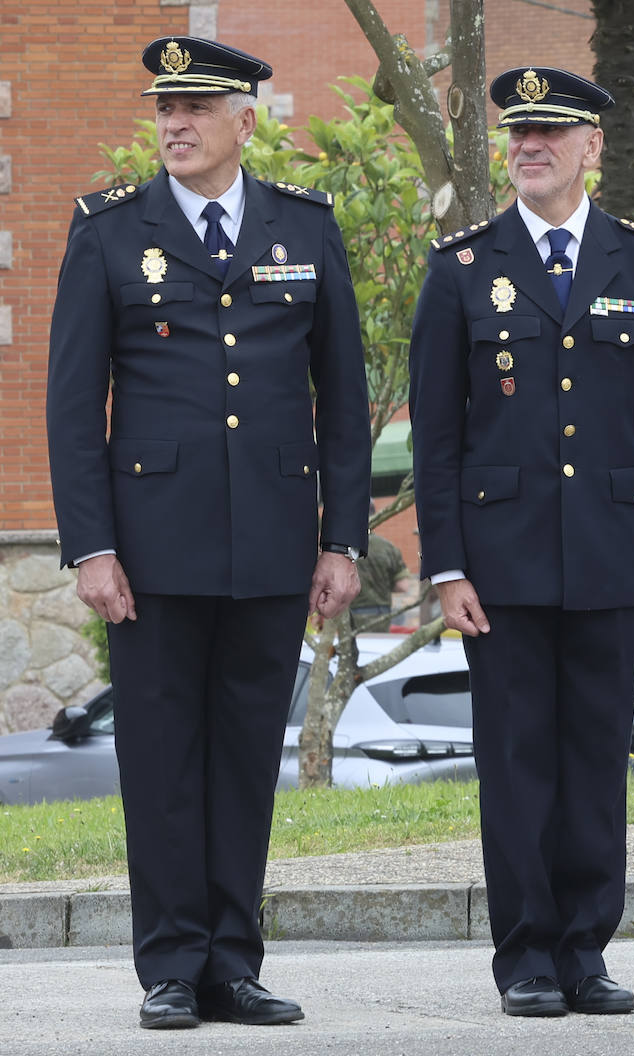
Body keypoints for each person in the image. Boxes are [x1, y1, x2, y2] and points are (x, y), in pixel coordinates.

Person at [45, 37, 371, 1027]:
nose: (175, 124)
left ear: (247, 120)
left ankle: (234, 962)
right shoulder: (109, 233)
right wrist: (90, 545)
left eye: (196, 108)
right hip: (151, 549)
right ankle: (172, 967)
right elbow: (72, 405)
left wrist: (341, 539)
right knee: (159, 760)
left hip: (273, 544)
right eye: (164, 110)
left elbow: (344, 403)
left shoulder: (304, 229)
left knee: (242, 759)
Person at [408, 66, 634, 1017]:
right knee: (518, 760)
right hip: (501, 562)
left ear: (591, 147)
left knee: (594, 757)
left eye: (551, 132)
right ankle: (527, 953)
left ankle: (587, 949)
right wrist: (445, 564)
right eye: (519, 132)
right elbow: (438, 434)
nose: (530, 145)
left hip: (614, 557)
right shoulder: (461, 268)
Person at [351, 526, 411, 630]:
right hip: (382, 614)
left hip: (353, 612)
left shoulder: (347, 549)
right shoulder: (388, 547)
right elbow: (403, 586)